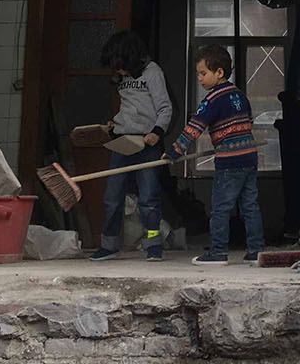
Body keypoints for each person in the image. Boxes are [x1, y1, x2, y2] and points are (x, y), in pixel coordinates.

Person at [166, 41, 265, 264]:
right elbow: (247, 122)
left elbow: (194, 128)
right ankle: (256, 250)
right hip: (249, 157)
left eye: (203, 73)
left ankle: (218, 251)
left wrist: (174, 152)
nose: (199, 79)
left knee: (221, 207)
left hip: (229, 161)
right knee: (249, 205)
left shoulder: (212, 99)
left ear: (219, 72)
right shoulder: (239, 95)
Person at [90, 30, 173, 261]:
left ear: (130, 58)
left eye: (120, 66)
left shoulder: (152, 72)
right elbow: (129, 109)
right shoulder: (122, 78)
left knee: (148, 197)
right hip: (123, 142)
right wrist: (115, 126)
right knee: (112, 196)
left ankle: (153, 244)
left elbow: (165, 108)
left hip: (147, 144)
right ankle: (108, 244)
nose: (117, 72)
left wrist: (157, 132)